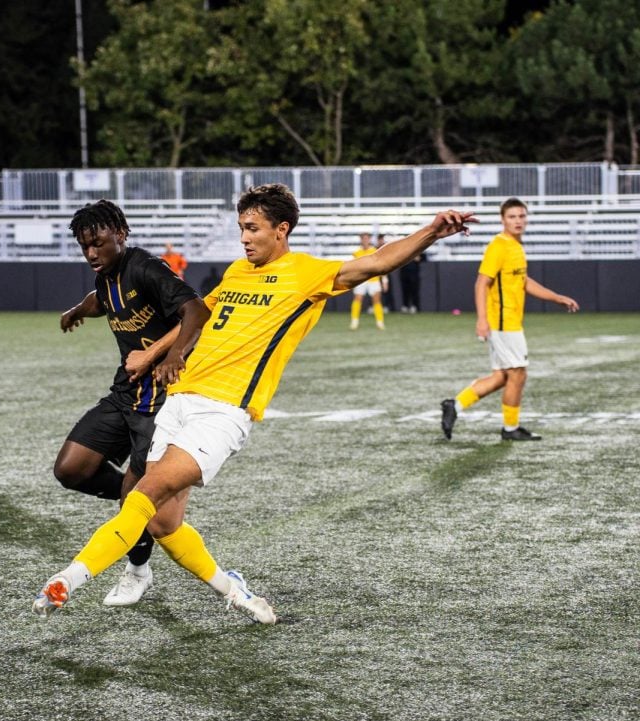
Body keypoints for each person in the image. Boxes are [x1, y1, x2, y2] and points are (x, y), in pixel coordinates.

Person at [33, 184, 475, 621]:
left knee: (141, 495)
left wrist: (432, 231)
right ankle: (235, 591)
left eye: (252, 228)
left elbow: (377, 262)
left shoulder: (306, 274)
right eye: (241, 228)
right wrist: (157, 353)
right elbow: (201, 315)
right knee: (163, 524)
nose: (243, 237)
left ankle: (67, 580)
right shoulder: (235, 272)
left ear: (281, 229)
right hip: (178, 399)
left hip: (222, 412)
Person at [55, 200, 206, 606]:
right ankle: (139, 503)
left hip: (160, 404)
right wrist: (76, 311)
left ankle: (138, 571)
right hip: (124, 395)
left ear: (120, 234)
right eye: (84, 246)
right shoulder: (106, 275)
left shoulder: (146, 267)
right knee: (70, 469)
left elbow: (196, 309)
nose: (91, 254)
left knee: (132, 495)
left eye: (98, 243)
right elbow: (100, 301)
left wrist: (172, 355)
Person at [440, 198, 579, 442]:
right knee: (518, 374)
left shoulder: (515, 246)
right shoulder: (499, 246)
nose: (518, 221)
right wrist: (482, 320)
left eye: (522, 216)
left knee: (502, 377)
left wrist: (556, 298)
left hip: (510, 321)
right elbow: (481, 282)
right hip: (503, 322)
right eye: (512, 216)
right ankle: (510, 428)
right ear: (503, 219)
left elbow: (523, 281)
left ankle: (455, 405)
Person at [348, 232, 385, 330]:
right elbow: (353, 267)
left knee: (376, 300)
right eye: (363, 238)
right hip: (361, 280)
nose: (365, 240)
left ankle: (380, 322)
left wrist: (385, 280)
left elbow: (381, 266)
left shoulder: (375, 251)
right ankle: (354, 322)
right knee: (357, 299)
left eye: (366, 238)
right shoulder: (356, 253)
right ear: (361, 240)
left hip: (373, 279)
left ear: (369, 240)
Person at [400, 246, 424, 313]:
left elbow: (423, 258)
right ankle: (405, 306)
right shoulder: (403, 252)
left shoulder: (417, 250)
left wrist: (418, 257)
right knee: (405, 291)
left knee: (414, 291)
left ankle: (414, 306)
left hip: (414, 274)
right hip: (404, 274)